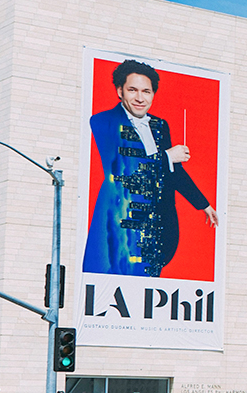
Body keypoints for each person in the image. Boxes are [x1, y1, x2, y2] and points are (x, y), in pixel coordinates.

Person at [83, 60, 217, 278]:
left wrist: (203, 204)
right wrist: (166, 156)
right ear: (120, 91)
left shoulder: (160, 125)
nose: (140, 98)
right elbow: (120, 168)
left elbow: (174, 173)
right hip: (121, 222)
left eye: (146, 91)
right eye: (132, 90)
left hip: (158, 225)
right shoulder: (102, 121)